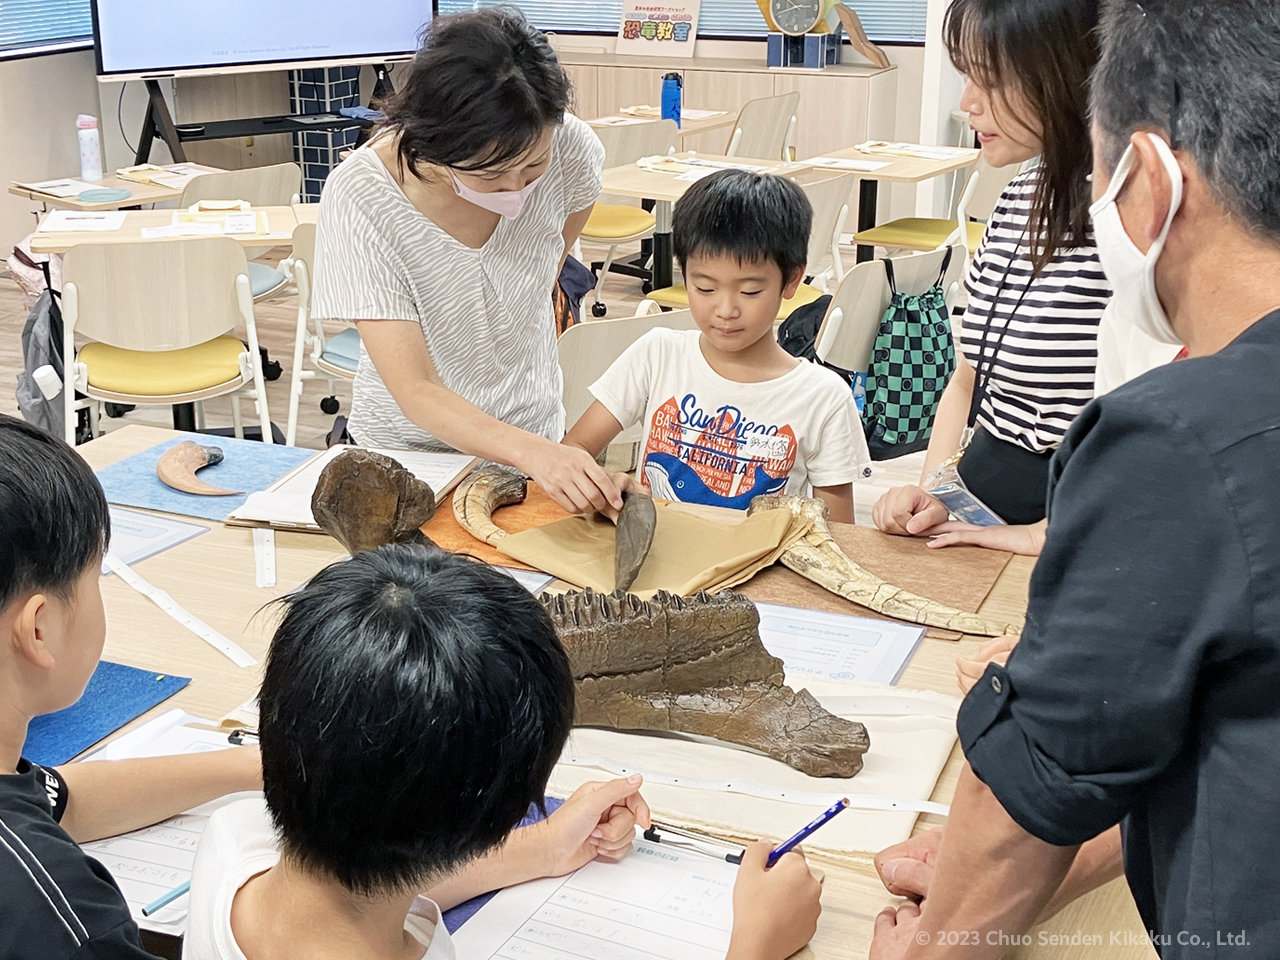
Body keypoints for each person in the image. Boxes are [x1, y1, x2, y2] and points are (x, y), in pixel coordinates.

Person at [870, 1, 1280, 956]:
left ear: (1145, 179)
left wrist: (945, 940)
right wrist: (1053, 855)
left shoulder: (1178, 441)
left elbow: (1033, 776)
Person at [184, 545, 822, 960]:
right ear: (498, 812)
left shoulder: (233, 840)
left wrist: (544, 846)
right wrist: (756, 949)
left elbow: (375, 872)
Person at [311, 8, 626, 518]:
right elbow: (414, 388)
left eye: (532, 167)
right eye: (491, 174)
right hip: (405, 458)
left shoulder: (571, 150)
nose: (516, 191)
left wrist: (540, 450)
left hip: (533, 436)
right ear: (435, 145)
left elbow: (543, 272)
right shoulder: (364, 194)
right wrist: (537, 452)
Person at [0, 414, 262, 960]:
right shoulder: (64, 919)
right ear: (40, 628)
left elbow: (59, 801)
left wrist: (263, 766)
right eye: (95, 579)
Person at [872, 0, 1110, 536]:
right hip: (980, 495)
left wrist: (1034, 537)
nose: (967, 104)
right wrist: (931, 492)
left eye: (992, 81)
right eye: (966, 76)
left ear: (1065, 73)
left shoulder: (1129, 222)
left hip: (1076, 519)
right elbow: (965, 379)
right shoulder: (1019, 194)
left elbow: (1150, 437)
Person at [563, 169, 869, 523]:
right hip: (658, 561)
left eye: (750, 291)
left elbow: (841, 534)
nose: (725, 310)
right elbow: (575, 449)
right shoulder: (658, 354)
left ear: (792, 280)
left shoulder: (823, 397)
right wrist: (604, 485)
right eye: (705, 288)